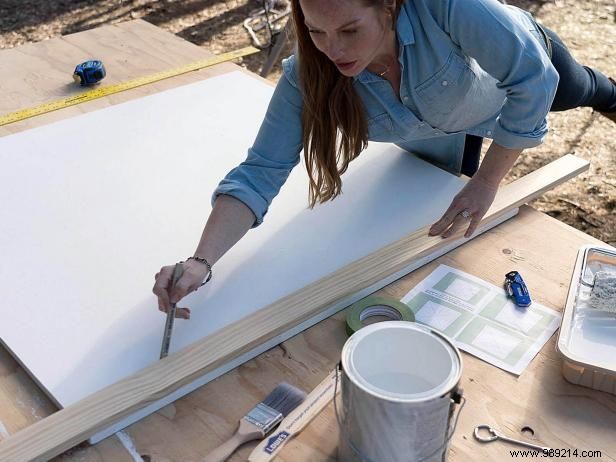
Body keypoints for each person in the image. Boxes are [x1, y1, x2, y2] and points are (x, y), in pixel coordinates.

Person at [153, 0, 616, 317]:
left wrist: (489, 181)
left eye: (350, 30)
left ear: (389, 6)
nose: (332, 50)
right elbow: (260, 173)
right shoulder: (306, 76)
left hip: (515, 76)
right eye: (316, 31)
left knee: (581, 89)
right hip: (442, 133)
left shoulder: (453, 9)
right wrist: (201, 261)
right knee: (458, 220)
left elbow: (534, 80)